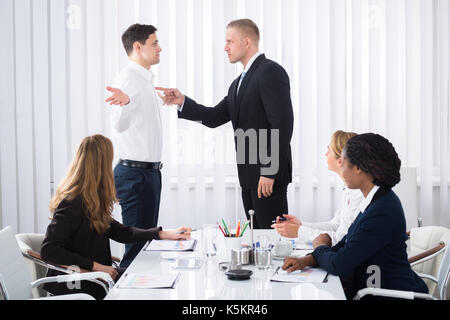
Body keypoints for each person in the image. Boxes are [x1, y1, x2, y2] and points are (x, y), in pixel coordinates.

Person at [156, 19, 294, 229]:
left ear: (247, 42)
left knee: (272, 239)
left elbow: (282, 124)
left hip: (267, 177)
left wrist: (269, 171)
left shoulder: (270, 72)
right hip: (249, 176)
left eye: (230, 41)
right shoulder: (237, 83)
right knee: (256, 239)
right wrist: (182, 101)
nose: (225, 47)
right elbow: (213, 117)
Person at [41, 135, 191, 299]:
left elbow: (121, 232)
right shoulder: (73, 202)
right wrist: (96, 266)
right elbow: (49, 250)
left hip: (98, 277)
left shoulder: (91, 198)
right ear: (101, 166)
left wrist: (161, 234)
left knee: (161, 280)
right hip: (79, 285)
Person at [281, 133, 428, 300]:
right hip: (374, 290)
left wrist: (320, 245)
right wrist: (305, 261)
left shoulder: (382, 210)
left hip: (391, 295)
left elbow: (339, 264)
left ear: (358, 168)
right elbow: (345, 245)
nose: (340, 168)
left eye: (343, 163)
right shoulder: (374, 200)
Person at [105, 24, 165, 268]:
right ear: (138, 47)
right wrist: (127, 101)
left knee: (146, 244)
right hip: (135, 174)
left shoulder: (145, 80)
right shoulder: (128, 79)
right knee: (137, 249)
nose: (160, 48)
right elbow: (118, 125)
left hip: (148, 173)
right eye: (154, 43)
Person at [271, 130, 363, 246]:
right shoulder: (348, 189)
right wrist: (301, 225)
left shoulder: (360, 194)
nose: (325, 154)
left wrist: (299, 231)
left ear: (340, 159)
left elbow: (341, 238)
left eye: (328, 150)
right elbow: (335, 225)